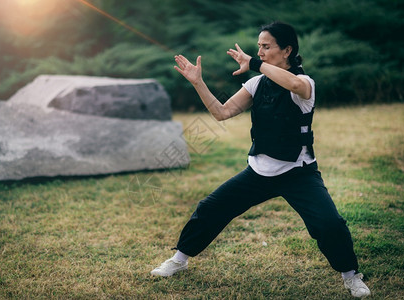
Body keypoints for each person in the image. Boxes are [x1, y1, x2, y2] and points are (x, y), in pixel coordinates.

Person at [150, 21, 371, 298]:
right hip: (258, 172)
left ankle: (351, 276)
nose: (261, 52)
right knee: (210, 208)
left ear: (287, 50)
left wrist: (253, 62)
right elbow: (221, 112)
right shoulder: (256, 83)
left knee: (329, 224)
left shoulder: (304, 83)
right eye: (259, 47)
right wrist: (198, 83)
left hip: (298, 173)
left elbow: (291, 82)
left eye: (267, 47)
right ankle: (179, 260)